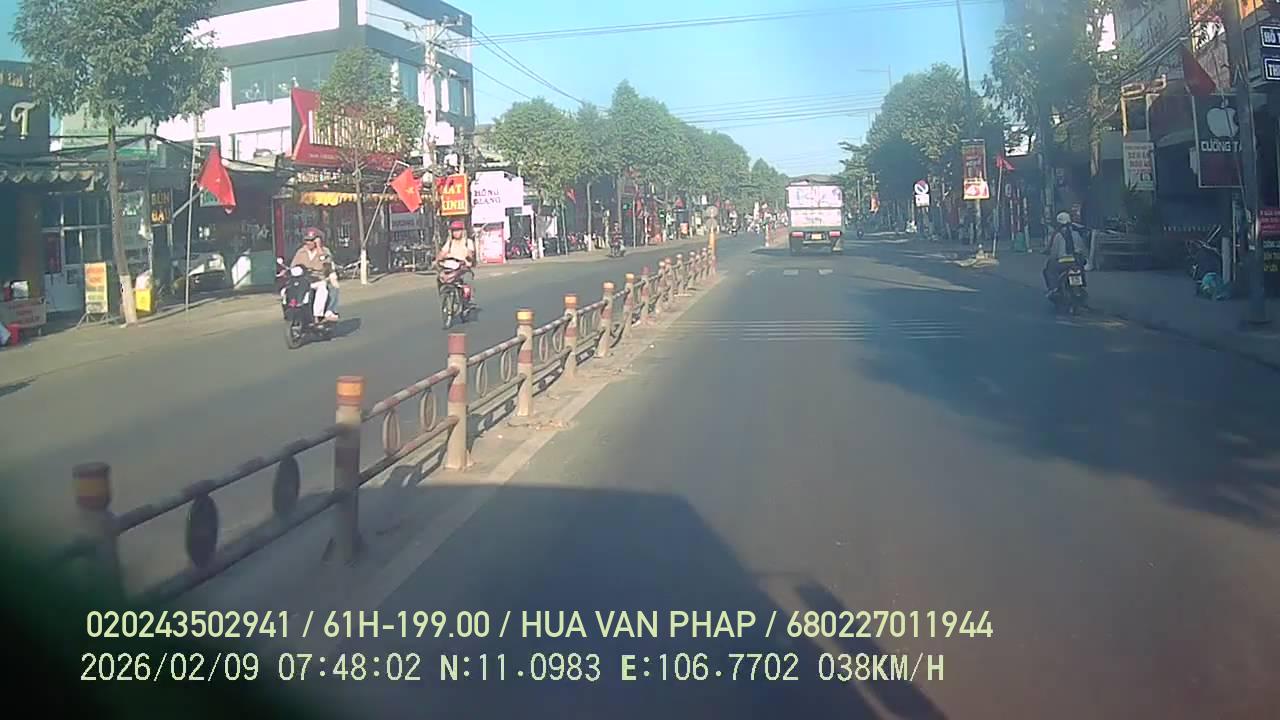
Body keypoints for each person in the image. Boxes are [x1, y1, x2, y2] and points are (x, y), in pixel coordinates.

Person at [289, 227, 338, 322]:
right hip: (303, 280)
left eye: (311, 240)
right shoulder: (301, 252)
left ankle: (318, 315)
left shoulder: (324, 251)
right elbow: (293, 266)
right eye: (306, 240)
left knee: (322, 288)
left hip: (318, 279)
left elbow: (326, 262)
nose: (309, 243)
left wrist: (319, 247)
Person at [436, 219, 476, 304]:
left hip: (463, 268)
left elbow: (470, 253)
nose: (456, 233)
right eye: (454, 231)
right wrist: (438, 259)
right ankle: (444, 295)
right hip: (451, 267)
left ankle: (467, 300)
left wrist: (469, 257)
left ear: (462, 231)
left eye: (458, 230)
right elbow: (442, 253)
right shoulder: (450, 242)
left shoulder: (468, 242)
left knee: (467, 280)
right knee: (440, 277)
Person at [1043, 211, 1080, 293]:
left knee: (1049, 269)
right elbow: (1082, 249)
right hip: (1075, 262)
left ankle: (1054, 287)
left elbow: (1054, 253)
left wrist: (1051, 257)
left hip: (1062, 263)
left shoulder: (1058, 235)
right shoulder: (1076, 234)